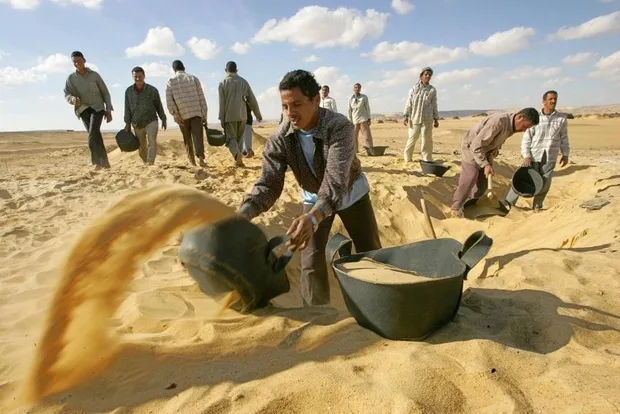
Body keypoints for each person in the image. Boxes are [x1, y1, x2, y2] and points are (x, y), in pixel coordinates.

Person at [238, 69, 382, 306]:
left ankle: (379, 304)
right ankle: (317, 314)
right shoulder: (281, 137)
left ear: (316, 100)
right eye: (285, 106)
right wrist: (244, 214)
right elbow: (269, 183)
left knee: (370, 253)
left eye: (296, 104)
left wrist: (312, 218)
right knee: (311, 261)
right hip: (313, 197)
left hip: (351, 194)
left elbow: (335, 182)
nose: (290, 113)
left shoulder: (339, 127)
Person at [450, 108, 540, 217]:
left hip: (486, 151)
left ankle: (471, 207)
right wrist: (486, 164)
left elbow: (495, 141)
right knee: (470, 177)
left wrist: (490, 159)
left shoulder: (512, 126)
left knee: (483, 182)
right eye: (525, 126)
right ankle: (456, 207)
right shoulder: (498, 122)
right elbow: (476, 146)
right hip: (471, 148)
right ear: (520, 117)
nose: (524, 130)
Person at [503, 91, 570, 212]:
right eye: (550, 99)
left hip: (550, 155)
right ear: (544, 101)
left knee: (545, 182)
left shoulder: (561, 119)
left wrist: (565, 154)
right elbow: (526, 139)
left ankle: (537, 206)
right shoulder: (535, 118)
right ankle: (507, 204)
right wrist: (526, 155)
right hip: (533, 155)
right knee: (522, 178)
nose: (553, 101)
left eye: (555, 99)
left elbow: (564, 137)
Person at [63, 51, 113, 169]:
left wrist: (109, 109)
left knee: (93, 132)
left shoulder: (94, 75)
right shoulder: (71, 78)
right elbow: (66, 94)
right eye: (74, 61)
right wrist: (73, 99)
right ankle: (105, 163)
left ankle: (95, 162)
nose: (77, 63)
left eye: (79, 60)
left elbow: (105, 92)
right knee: (95, 135)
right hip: (83, 109)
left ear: (84, 60)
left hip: (98, 108)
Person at [218, 61, 262, 167]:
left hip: (229, 115)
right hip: (243, 115)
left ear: (226, 70)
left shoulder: (223, 83)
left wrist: (222, 118)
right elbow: (252, 99)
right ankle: (238, 161)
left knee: (230, 139)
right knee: (239, 138)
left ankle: (237, 155)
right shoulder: (243, 82)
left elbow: (222, 103)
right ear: (236, 70)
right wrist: (257, 113)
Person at [165, 60, 208, 167]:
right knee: (198, 137)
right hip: (196, 112)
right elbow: (201, 97)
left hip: (182, 114)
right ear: (184, 67)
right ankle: (201, 160)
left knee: (187, 138)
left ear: (174, 69)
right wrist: (204, 114)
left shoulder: (171, 81)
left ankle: (192, 161)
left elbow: (169, 100)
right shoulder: (193, 79)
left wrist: (175, 114)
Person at [123, 66, 167, 165]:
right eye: (135, 77)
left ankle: (150, 162)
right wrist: (127, 123)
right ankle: (145, 161)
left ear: (144, 76)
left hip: (151, 120)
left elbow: (158, 105)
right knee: (141, 145)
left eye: (140, 76)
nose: (138, 79)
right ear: (132, 77)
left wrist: (163, 118)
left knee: (152, 141)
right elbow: (127, 108)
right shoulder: (128, 91)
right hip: (137, 122)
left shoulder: (152, 90)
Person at [403, 67, 439, 162]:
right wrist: (406, 115)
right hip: (414, 118)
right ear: (421, 76)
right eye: (426, 74)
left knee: (427, 140)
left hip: (427, 118)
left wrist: (436, 118)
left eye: (429, 75)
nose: (428, 76)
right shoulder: (414, 89)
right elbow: (409, 102)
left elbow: (434, 104)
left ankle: (427, 159)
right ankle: (407, 158)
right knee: (412, 138)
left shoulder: (432, 90)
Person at [347, 83, 374, 152]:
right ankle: (355, 151)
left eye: (359, 88)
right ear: (353, 88)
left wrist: (369, 118)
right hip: (354, 120)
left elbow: (367, 108)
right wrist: (350, 121)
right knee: (354, 137)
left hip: (363, 119)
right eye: (356, 87)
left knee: (367, 137)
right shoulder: (350, 99)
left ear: (360, 89)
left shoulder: (364, 97)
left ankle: (370, 150)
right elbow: (349, 111)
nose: (357, 89)